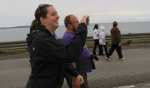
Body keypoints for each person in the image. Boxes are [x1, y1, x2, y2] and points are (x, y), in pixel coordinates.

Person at [26, 4, 88, 88]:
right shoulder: (41, 39)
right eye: (53, 14)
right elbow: (69, 54)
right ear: (42, 19)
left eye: (57, 14)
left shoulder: (48, 37)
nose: (58, 16)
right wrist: (83, 27)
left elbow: (60, 58)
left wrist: (75, 74)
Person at [63, 15, 98, 88]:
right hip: (76, 71)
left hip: (81, 69)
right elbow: (69, 59)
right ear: (69, 25)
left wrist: (90, 55)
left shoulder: (75, 34)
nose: (78, 24)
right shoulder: (67, 37)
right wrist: (74, 76)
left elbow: (80, 47)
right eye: (76, 22)